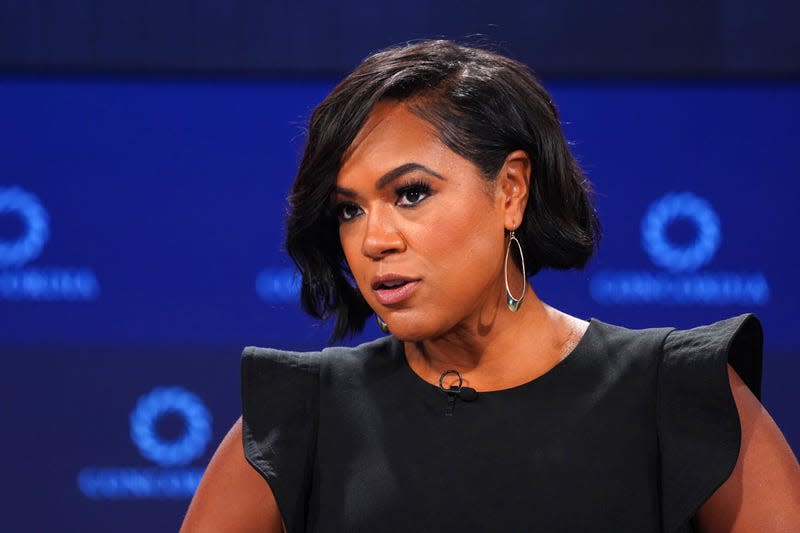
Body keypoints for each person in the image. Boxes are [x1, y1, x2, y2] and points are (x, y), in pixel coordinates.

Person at [181, 40, 800, 532]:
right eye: (349, 209)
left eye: (411, 193)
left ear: (510, 190)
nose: (374, 240)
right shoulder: (299, 418)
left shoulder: (676, 392)